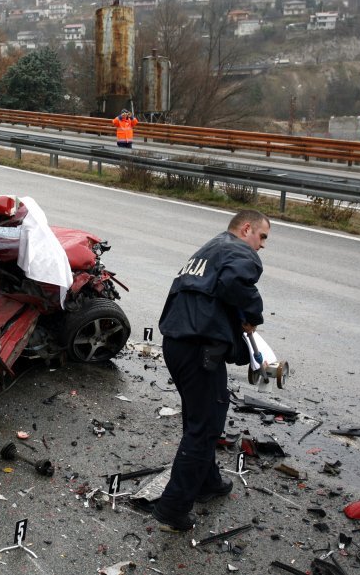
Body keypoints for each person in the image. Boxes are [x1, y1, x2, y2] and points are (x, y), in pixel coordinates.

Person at [152, 209, 271, 531]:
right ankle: (172, 510)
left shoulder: (210, 249)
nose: (261, 246)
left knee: (198, 419)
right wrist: (252, 315)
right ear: (247, 229)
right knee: (204, 428)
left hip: (176, 344)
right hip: (199, 349)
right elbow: (236, 282)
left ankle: (208, 483)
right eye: (262, 237)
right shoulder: (238, 250)